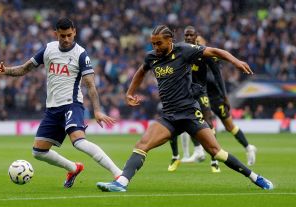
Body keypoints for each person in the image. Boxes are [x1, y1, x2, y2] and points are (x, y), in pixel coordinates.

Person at [96, 25, 273, 192]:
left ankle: (255, 177)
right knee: (142, 145)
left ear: (170, 40)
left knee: (216, 152)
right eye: (153, 43)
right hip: (169, 117)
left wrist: (235, 61)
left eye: (159, 43)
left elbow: (214, 51)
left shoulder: (184, 50)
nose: (156, 47)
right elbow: (141, 71)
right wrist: (130, 92)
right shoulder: (152, 57)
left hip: (190, 114)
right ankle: (121, 182)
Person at [0, 18, 122, 188]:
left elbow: (90, 84)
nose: (66, 39)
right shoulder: (48, 49)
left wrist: (97, 110)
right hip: (53, 108)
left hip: (71, 104)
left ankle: (118, 173)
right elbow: (25, 68)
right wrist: (6, 71)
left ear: (74, 32)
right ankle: (73, 168)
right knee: (38, 152)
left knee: (79, 142)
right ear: (56, 34)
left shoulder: (81, 54)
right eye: (62, 36)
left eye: (69, 35)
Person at [168, 26, 219, 173]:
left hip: (200, 92)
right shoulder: (180, 51)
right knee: (173, 120)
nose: (189, 38)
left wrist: (223, 94)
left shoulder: (203, 52)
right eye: (186, 36)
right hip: (183, 93)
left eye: (191, 35)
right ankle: (175, 156)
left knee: (209, 122)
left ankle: (214, 159)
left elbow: (215, 74)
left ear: (196, 36)